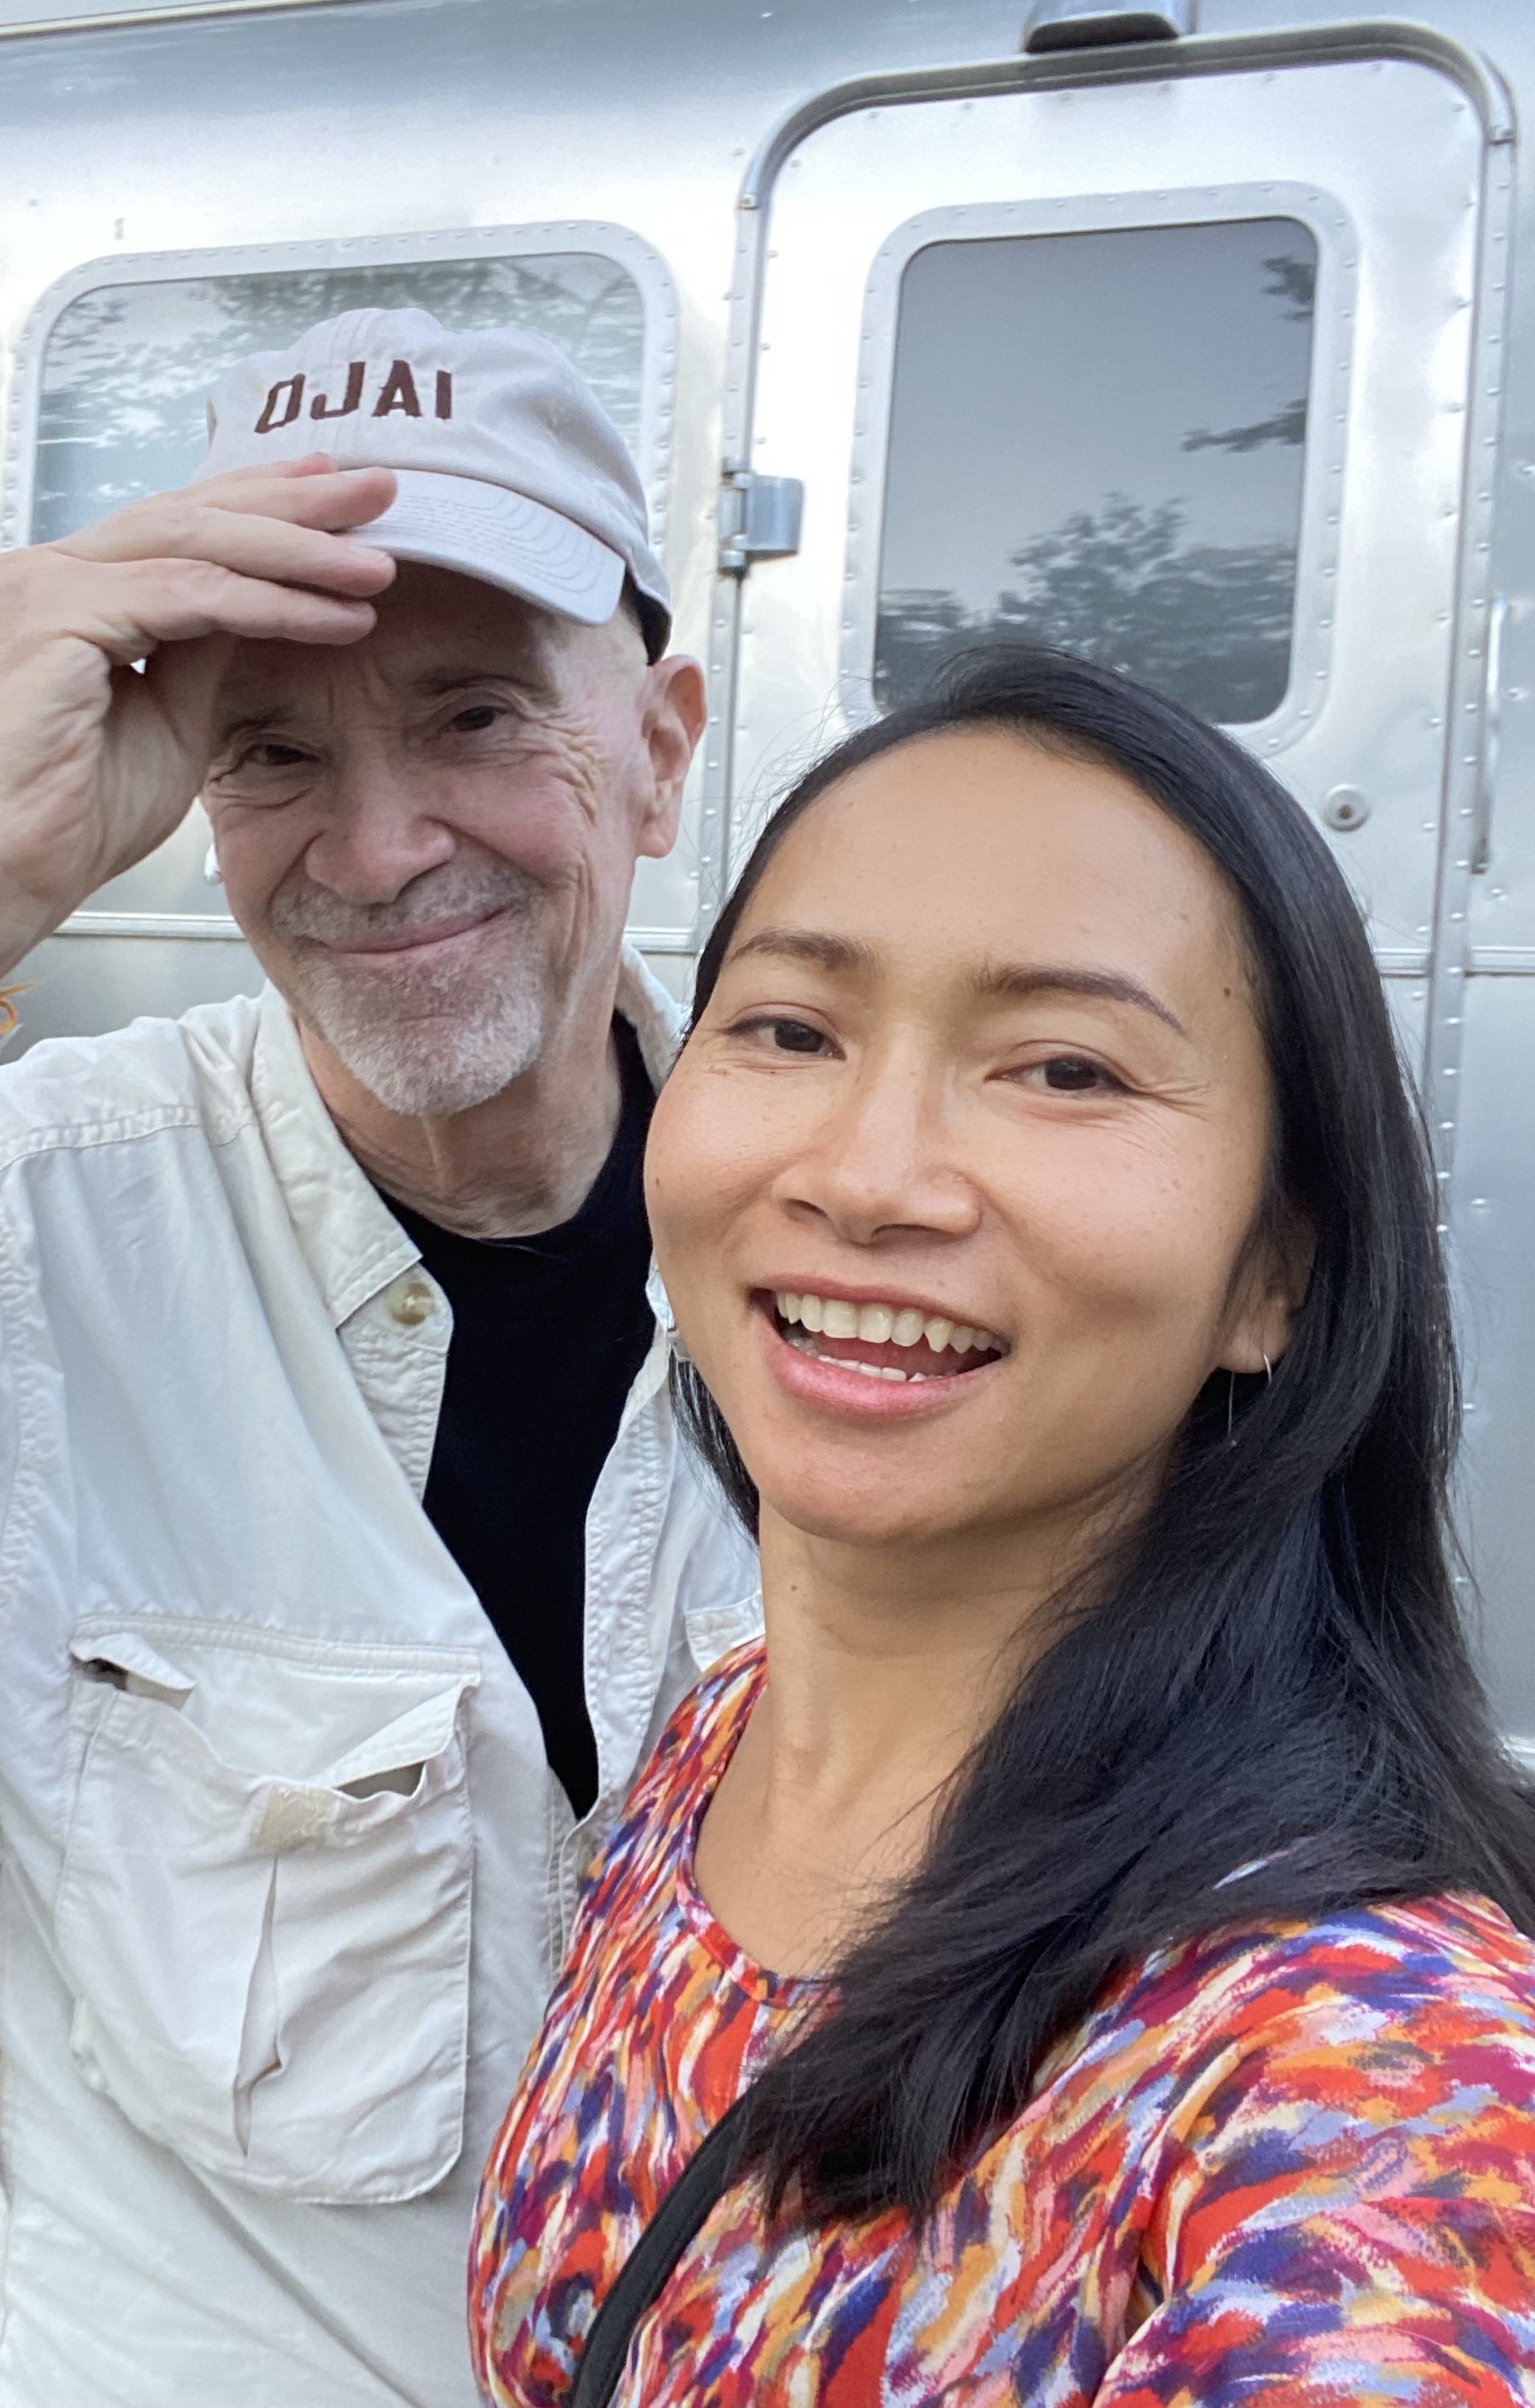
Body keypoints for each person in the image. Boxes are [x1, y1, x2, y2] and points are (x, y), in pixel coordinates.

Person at [0, 309, 758, 2407]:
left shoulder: (851, 1232)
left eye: (481, 713)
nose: (382, 842)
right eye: (273, 750)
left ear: (666, 746)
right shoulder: (19, 1228)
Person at [473, 648, 1535, 2408]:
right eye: (793, 1028)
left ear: (1277, 1270)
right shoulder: (725, 1741)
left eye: (1061, 1069)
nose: (871, 1173)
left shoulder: (1365, 2070)